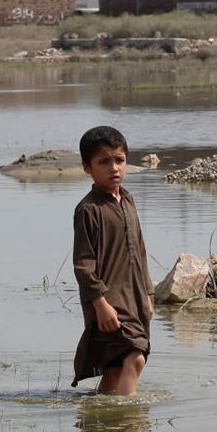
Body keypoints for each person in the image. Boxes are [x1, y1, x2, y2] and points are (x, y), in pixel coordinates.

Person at [71, 126, 152, 395]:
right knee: (136, 357)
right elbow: (83, 265)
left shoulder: (128, 200)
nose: (113, 168)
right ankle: (128, 415)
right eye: (103, 162)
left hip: (135, 297)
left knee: (115, 367)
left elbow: (140, 250)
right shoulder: (88, 209)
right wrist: (100, 304)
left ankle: (100, 414)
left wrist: (148, 293)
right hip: (109, 301)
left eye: (119, 160)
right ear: (87, 167)